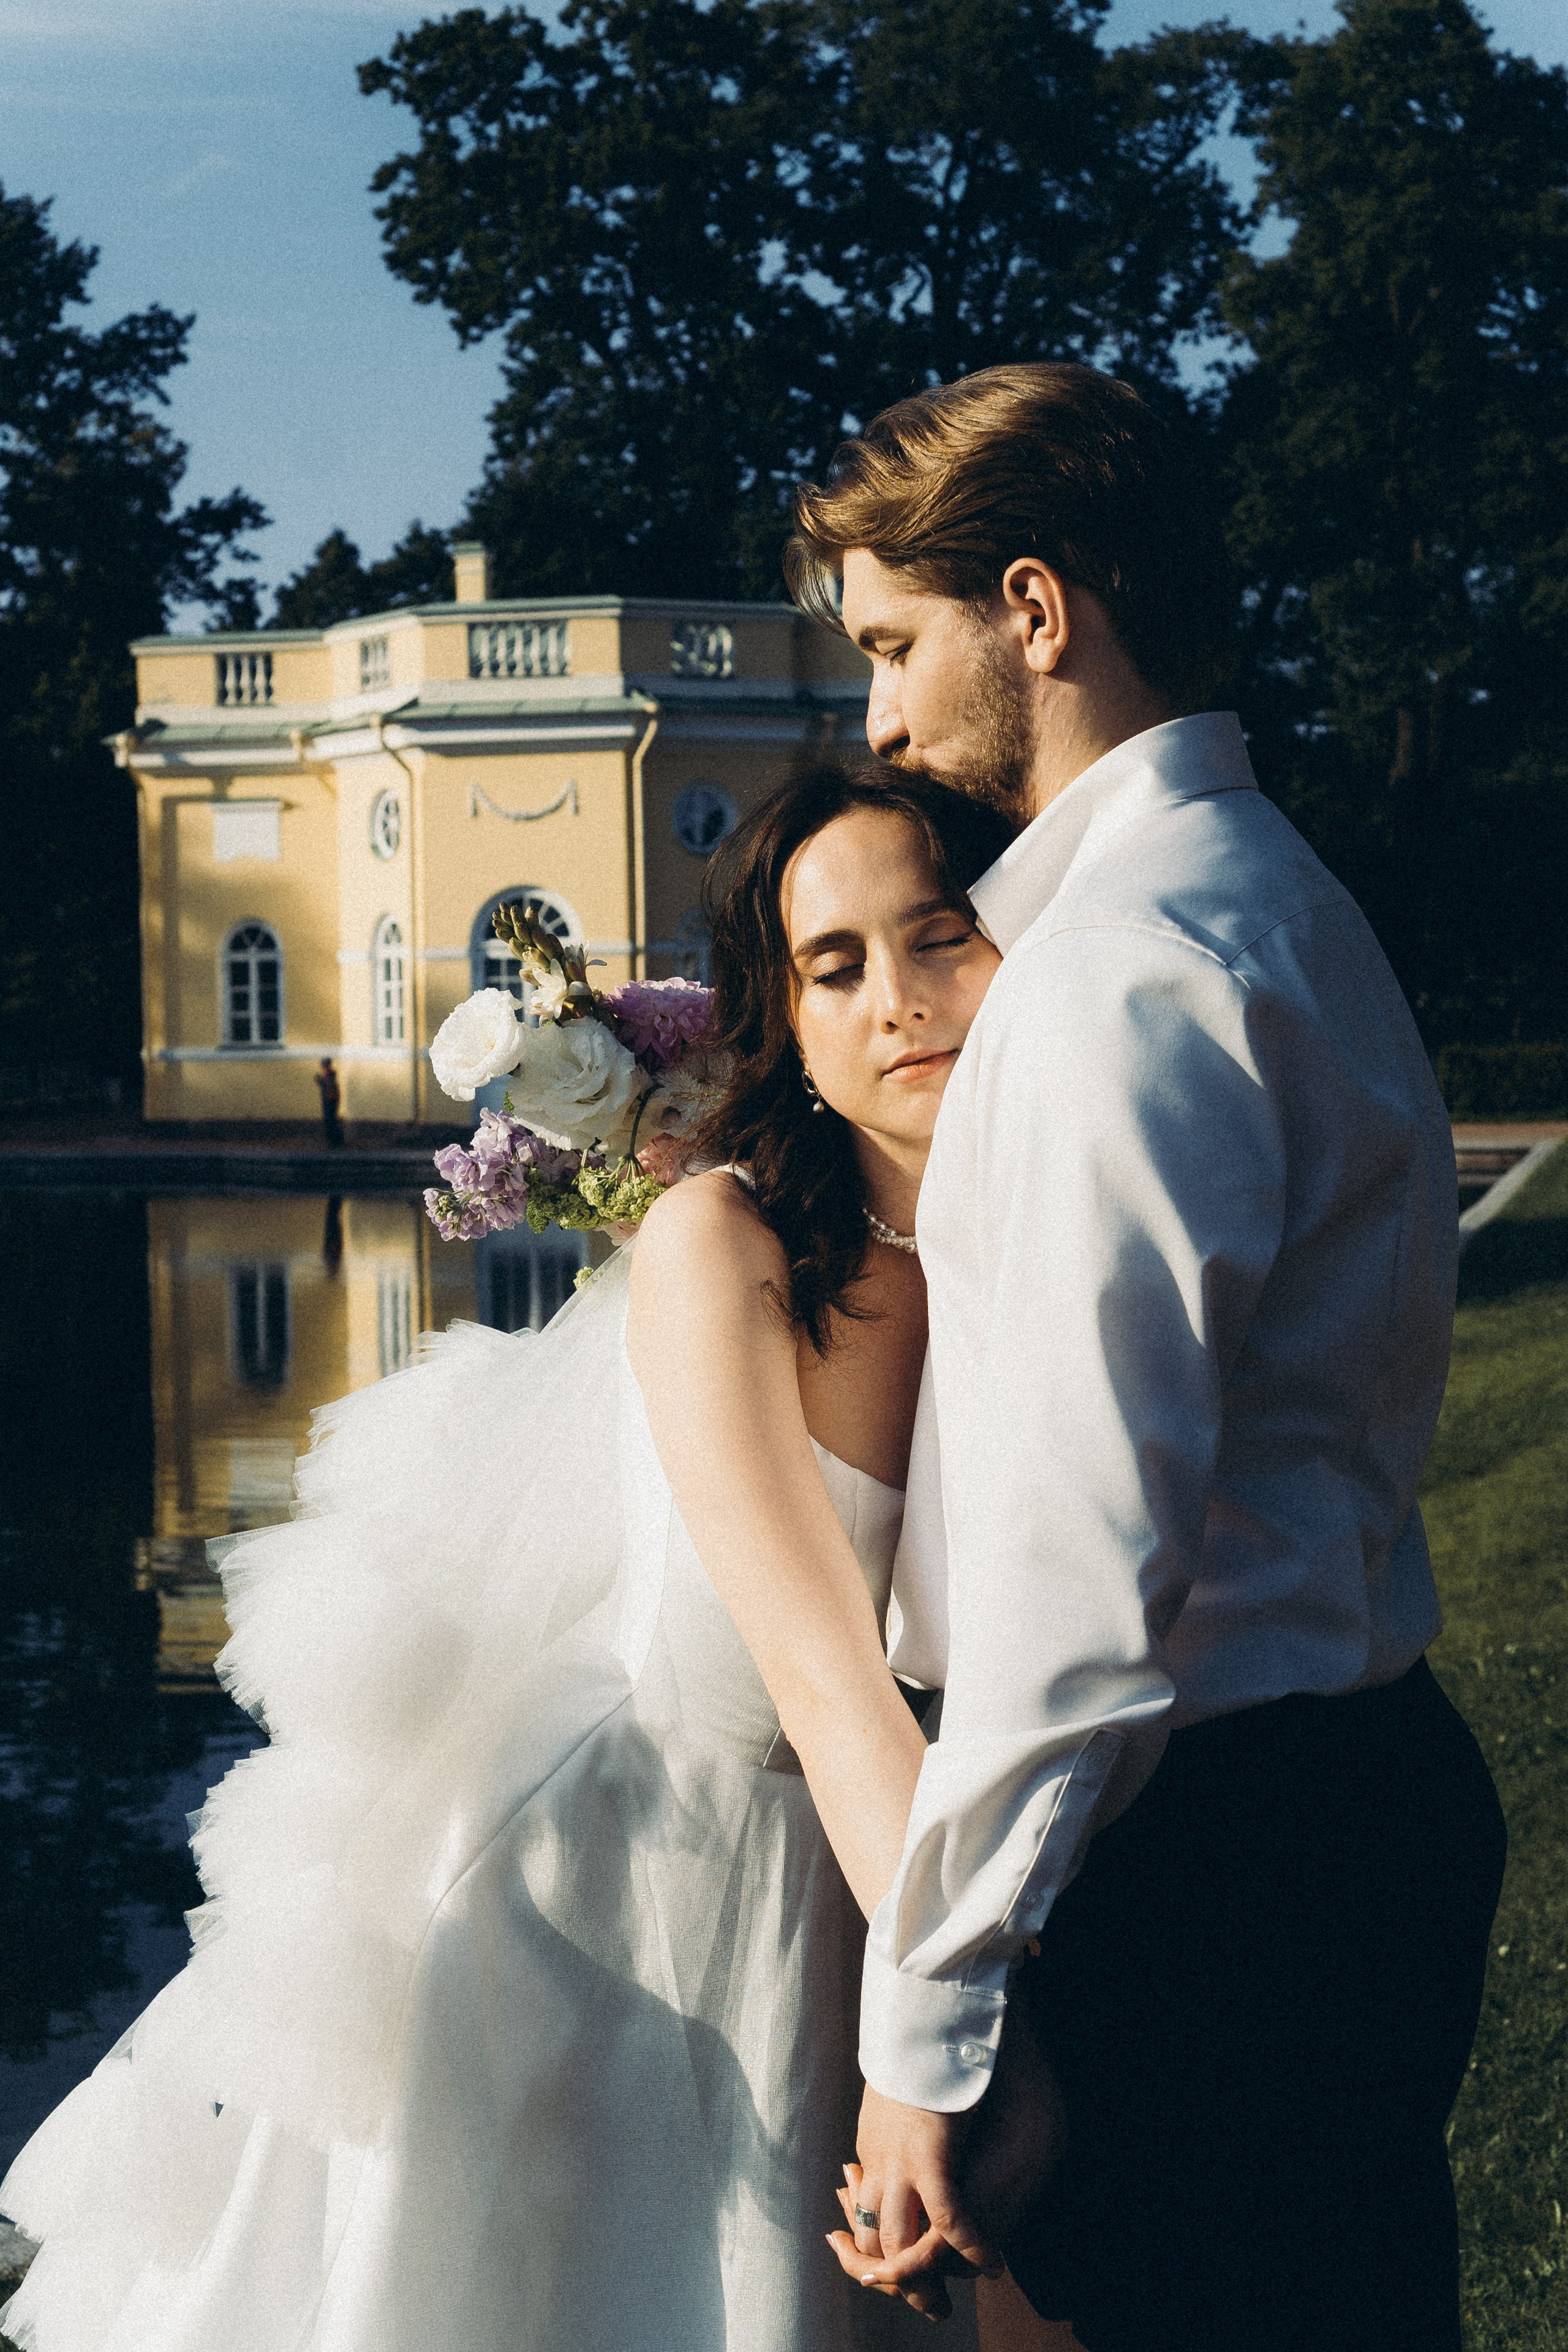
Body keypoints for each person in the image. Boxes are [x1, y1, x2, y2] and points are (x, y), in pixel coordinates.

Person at [0, 761, 1041, 2352]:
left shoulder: (1017, 1246)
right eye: (836, 967)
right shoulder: (723, 1245)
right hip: (605, 1914)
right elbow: (832, 1693)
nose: (898, 1001)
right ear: (790, 1025)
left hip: (838, 1888)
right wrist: (984, 2034)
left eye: (941, 937)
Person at [785, 362, 1508, 2352]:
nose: (879, 718)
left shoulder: (1119, 977)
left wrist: (925, 2031)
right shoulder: (1288, 902)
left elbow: (1078, 1582)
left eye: (896, 645)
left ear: (1035, 609)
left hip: (1217, 1870)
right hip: (1351, 1790)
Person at [314, 1055, 345, 1147]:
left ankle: (336, 1140)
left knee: (331, 1120)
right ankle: (333, 1140)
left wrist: (321, 1080)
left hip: (331, 1099)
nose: (322, 1065)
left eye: (324, 1063)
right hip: (328, 1099)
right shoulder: (326, 1073)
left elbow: (330, 1083)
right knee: (329, 1120)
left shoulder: (331, 1073)